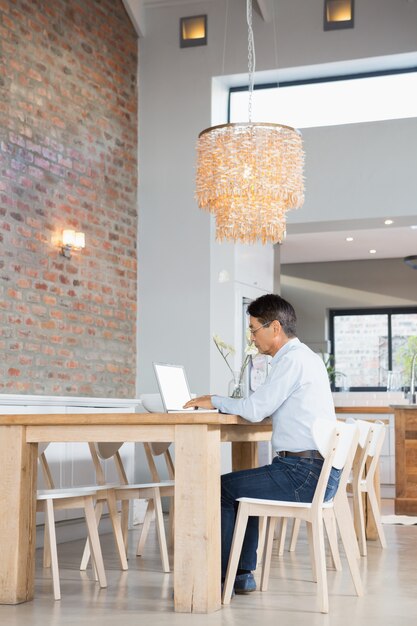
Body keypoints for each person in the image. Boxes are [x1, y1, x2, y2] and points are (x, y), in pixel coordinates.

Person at [183, 293, 340, 595]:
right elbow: (263, 406)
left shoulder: (292, 360)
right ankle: (240, 576)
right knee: (243, 489)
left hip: (304, 473)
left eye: (254, 329)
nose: (252, 338)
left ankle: (223, 577)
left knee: (223, 488)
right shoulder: (305, 357)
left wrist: (213, 400)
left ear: (275, 327)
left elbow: (256, 410)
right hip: (314, 470)